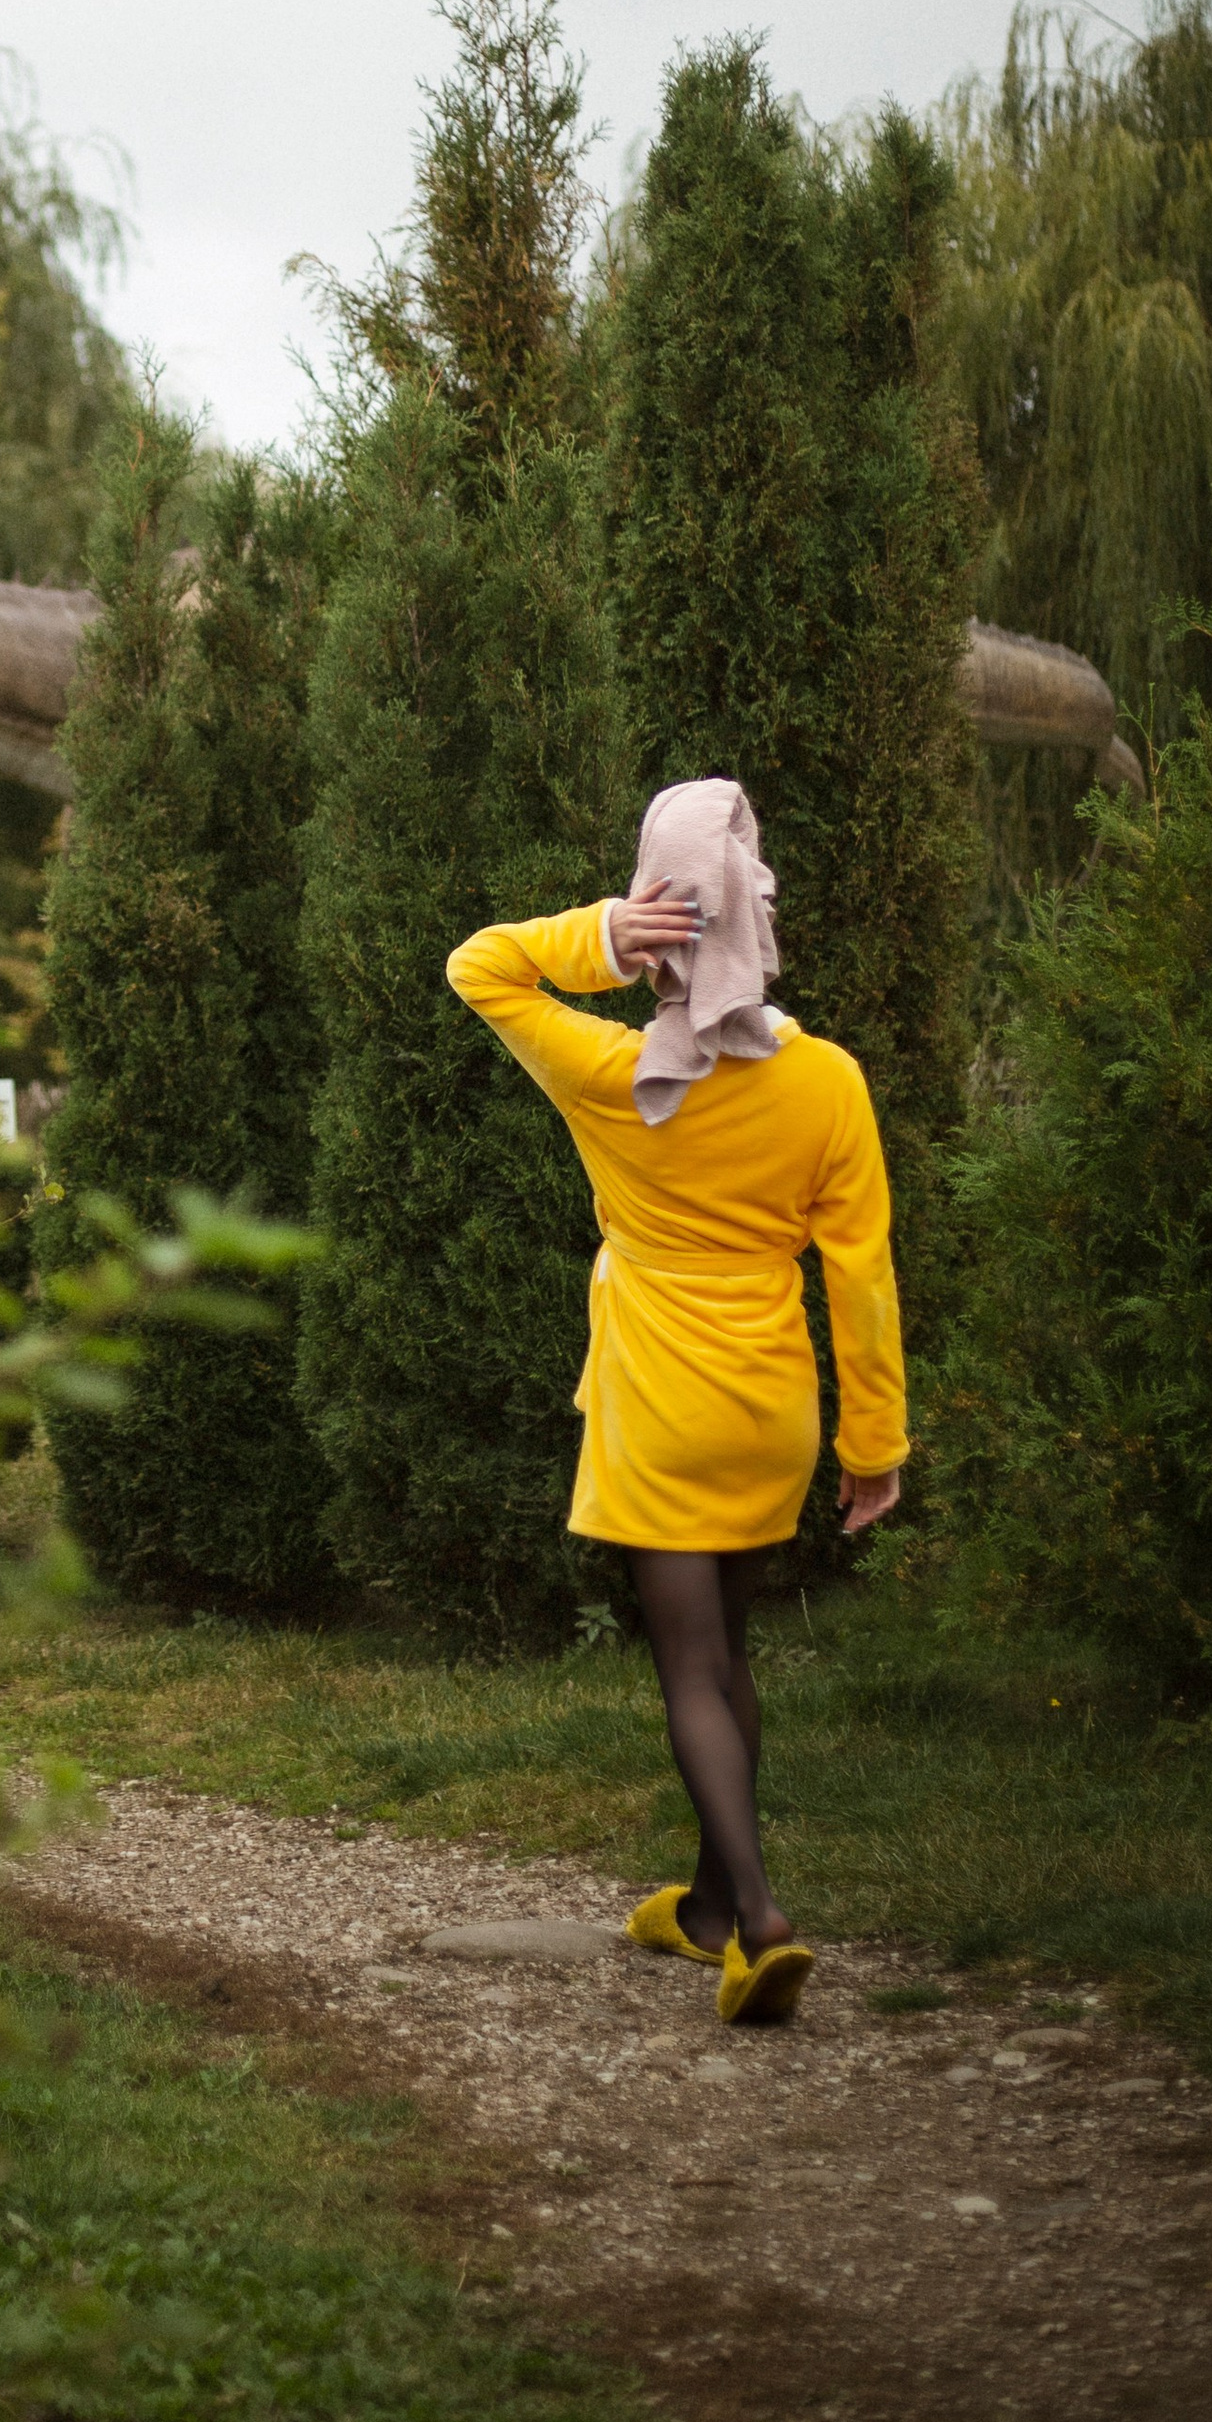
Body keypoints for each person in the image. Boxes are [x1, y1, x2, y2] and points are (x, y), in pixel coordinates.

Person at [444, 777, 906, 2026]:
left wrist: (598, 934)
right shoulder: (831, 1085)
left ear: (661, 920)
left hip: (659, 1396)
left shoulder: (607, 1071)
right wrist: (873, 1446)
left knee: (689, 1661)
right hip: (771, 1404)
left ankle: (758, 1920)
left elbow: (479, 968)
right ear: (756, 923)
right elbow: (859, 1278)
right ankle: (706, 1910)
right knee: (731, 1650)